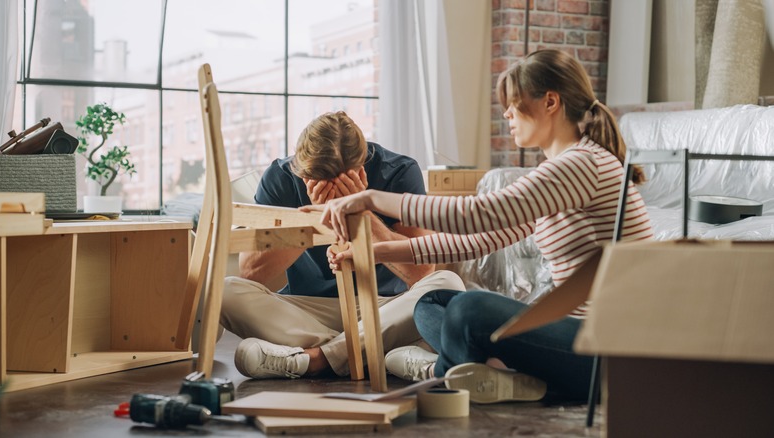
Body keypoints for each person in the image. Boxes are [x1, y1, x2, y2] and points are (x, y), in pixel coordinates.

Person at [305, 50, 653, 402]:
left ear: (550, 102)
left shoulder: (582, 164)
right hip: (576, 342)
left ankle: (448, 380)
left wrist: (370, 199)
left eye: (514, 104)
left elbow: (476, 214)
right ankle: (498, 376)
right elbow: (478, 241)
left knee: (469, 310)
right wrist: (373, 252)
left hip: (607, 348)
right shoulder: (569, 168)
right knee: (431, 303)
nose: (506, 114)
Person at [220, 111, 465, 380]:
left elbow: (421, 273)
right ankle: (376, 352)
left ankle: (316, 359)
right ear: (300, 168)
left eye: (340, 182)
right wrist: (318, 216)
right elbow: (252, 274)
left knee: (448, 283)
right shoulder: (281, 177)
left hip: (384, 305)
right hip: (305, 309)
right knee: (223, 291)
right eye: (317, 181)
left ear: (362, 166)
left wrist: (361, 210)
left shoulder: (398, 171)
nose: (331, 190)